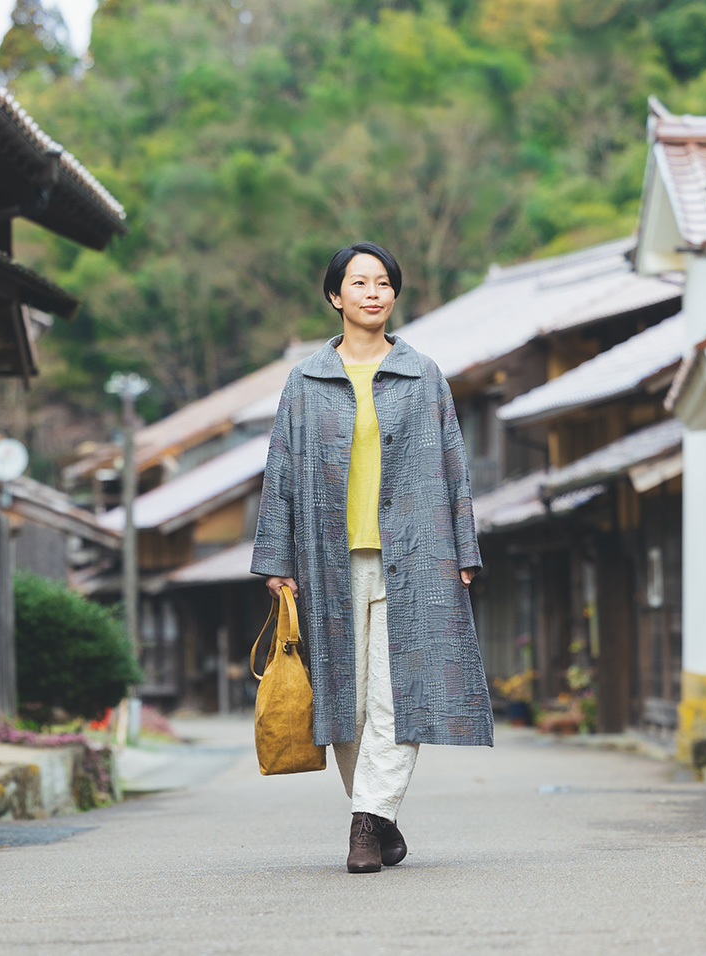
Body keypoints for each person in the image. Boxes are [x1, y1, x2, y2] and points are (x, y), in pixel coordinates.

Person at [251, 241, 493, 873]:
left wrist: (463, 549)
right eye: (359, 283)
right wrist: (278, 557)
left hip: (416, 558)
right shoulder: (304, 381)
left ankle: (364, 825)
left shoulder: (423, 375)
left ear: (394, 295)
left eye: (383, 282)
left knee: (398, 693)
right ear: (335, 297)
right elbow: (279, 473)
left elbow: (453, 466)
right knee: (345, 699)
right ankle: (383, 818)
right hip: (327, 562)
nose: (372, 292)